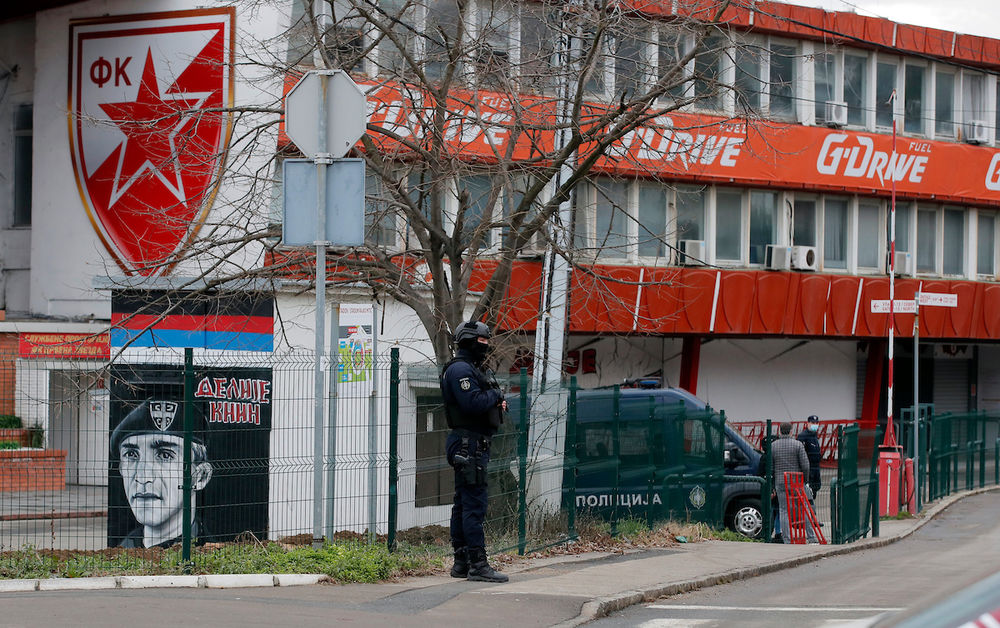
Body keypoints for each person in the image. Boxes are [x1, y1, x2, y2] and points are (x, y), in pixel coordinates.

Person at [439, 320, 508, 583]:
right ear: (468, 341)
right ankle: (478, 565)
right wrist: (495, 396)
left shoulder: (470, 368)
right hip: (469, 444)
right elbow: (472, 402)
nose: (486, 345)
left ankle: (461, 563)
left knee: (464, 503)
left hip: (471, 443)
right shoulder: (460, 370)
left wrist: (494, 399)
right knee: (473, 505)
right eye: (482, 341)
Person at [111, 399, 213, 549]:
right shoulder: (122, 551)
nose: (143, 478)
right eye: (131, 454)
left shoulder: (210, 552)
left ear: (200, 476)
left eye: (165, 455)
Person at [771, 421, 817, 544]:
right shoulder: (797, 445)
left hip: (780, 481)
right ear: (791, 431)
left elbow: (771, 466)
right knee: (804, 508)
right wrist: (805, 480)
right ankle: (811, 537)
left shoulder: (773, 446)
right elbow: (805, 465)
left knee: (783, 510)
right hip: (796, 482)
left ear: (779, 431)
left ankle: (787, 539)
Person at [797, 415, 823, 502]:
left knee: (815, 490)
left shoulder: (814, 436)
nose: (815, 425)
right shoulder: (803, 436)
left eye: (816, 423)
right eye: (813, 423)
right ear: (808, 423)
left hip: (816, 468)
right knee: (807, 495)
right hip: (808, 468)